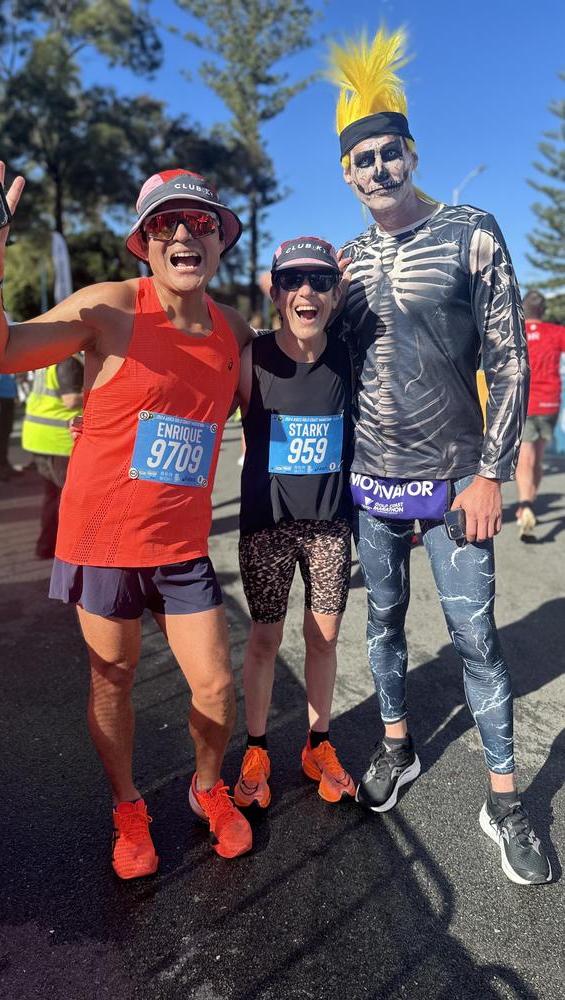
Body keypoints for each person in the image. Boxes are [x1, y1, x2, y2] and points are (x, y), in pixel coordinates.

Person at [0, 161, 254, 878]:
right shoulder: (111, 307)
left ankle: (206, 787)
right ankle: (127, 807)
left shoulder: (234, 333)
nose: (184, 233)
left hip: (181, 547)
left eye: (200, 223)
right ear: (144, 241)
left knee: (215, 684)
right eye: (166, 223)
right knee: (112, 677)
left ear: (219, 242)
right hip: (104, 542)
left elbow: (286, 408)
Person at [328, 27, 551, 884]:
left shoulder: (470, 230)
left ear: (412, 154)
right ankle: (397, 746)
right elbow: (328, 366)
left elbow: (509, 358)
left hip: (458, 478)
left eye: (391, 153)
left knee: (477, 640)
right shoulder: (343, 262)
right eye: (363, 160)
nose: (379, 169)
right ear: (348, 174)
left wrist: (493, 472)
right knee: (381, 625)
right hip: (374, 482)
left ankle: (504, 802)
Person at [233, 237, 355, 809]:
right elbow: (193, 406)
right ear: (277, 293)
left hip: (329, 525)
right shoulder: (250, 358)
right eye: (295, 282)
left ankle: (317, 742)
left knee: (323, 638)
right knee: (264, 638)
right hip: (268, 525)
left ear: (335, 293)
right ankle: (256, 748)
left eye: (321, 282)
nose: (307, 291)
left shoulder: (348, 355)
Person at [514, 290, 565, 540]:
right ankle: (530, 501)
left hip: (525, 402)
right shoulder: (557, 332)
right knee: (539, 457)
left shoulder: (515, 331)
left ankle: (525, 505)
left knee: (525, 457)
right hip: (550, 402)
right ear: (543, 311)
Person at [22, 356, 84, 559]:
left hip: (42, 437)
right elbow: (71, 400)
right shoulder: (68, 361)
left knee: (53, 496)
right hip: (56, 440)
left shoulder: (52, 358)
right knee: (65, 498)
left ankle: (47, 547)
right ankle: (61, 550)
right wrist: (107, 392)